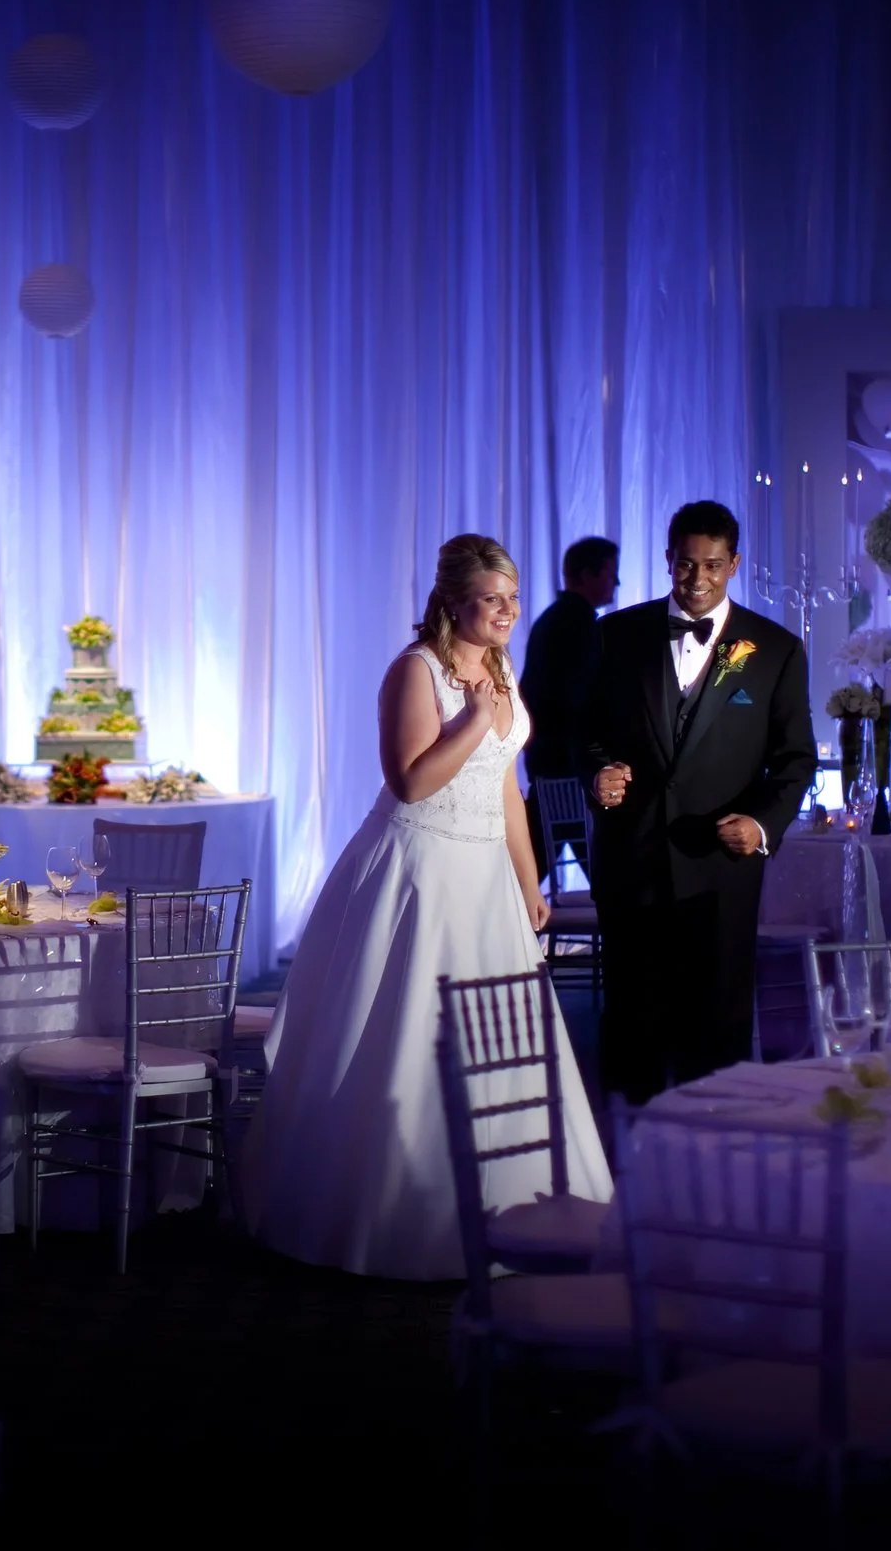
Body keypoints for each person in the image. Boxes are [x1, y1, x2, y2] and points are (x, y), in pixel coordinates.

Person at [244, 533, 611, 1279]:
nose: (509, 610)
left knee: (502, 1039)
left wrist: (529, 877)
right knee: (407, 1037)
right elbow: (411, 781)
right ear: (453, 600)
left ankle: (519, 1208)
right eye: (493, 598)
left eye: (513, 596)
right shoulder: (414, 672)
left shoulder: (502, 665)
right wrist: (470, 722)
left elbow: (506, 785)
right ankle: (387, 1221)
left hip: (485, 879)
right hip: (421, 872)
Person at [580, 501, 813, 1103]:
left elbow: (795, 761)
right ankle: (628, 1167)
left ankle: (718, 1174)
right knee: (633, 1032)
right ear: (667, 561)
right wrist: (598, 770)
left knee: (716, 1034)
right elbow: (582, 734)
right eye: (686, 565)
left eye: (712, 565)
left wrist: (762, 823)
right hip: (632, 864)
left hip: (721, 872)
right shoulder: (616, 635)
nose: (698, 580)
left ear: (735, 563)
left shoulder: (776, 650)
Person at [519, 535, 619, 887]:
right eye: (610, 573)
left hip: (549, 763)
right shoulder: (580, 625)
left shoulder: (551, 620)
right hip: (570, 767)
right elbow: (583, 699)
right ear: (587, 575)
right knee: (608, 872)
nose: (616, 583)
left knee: (536, 866)